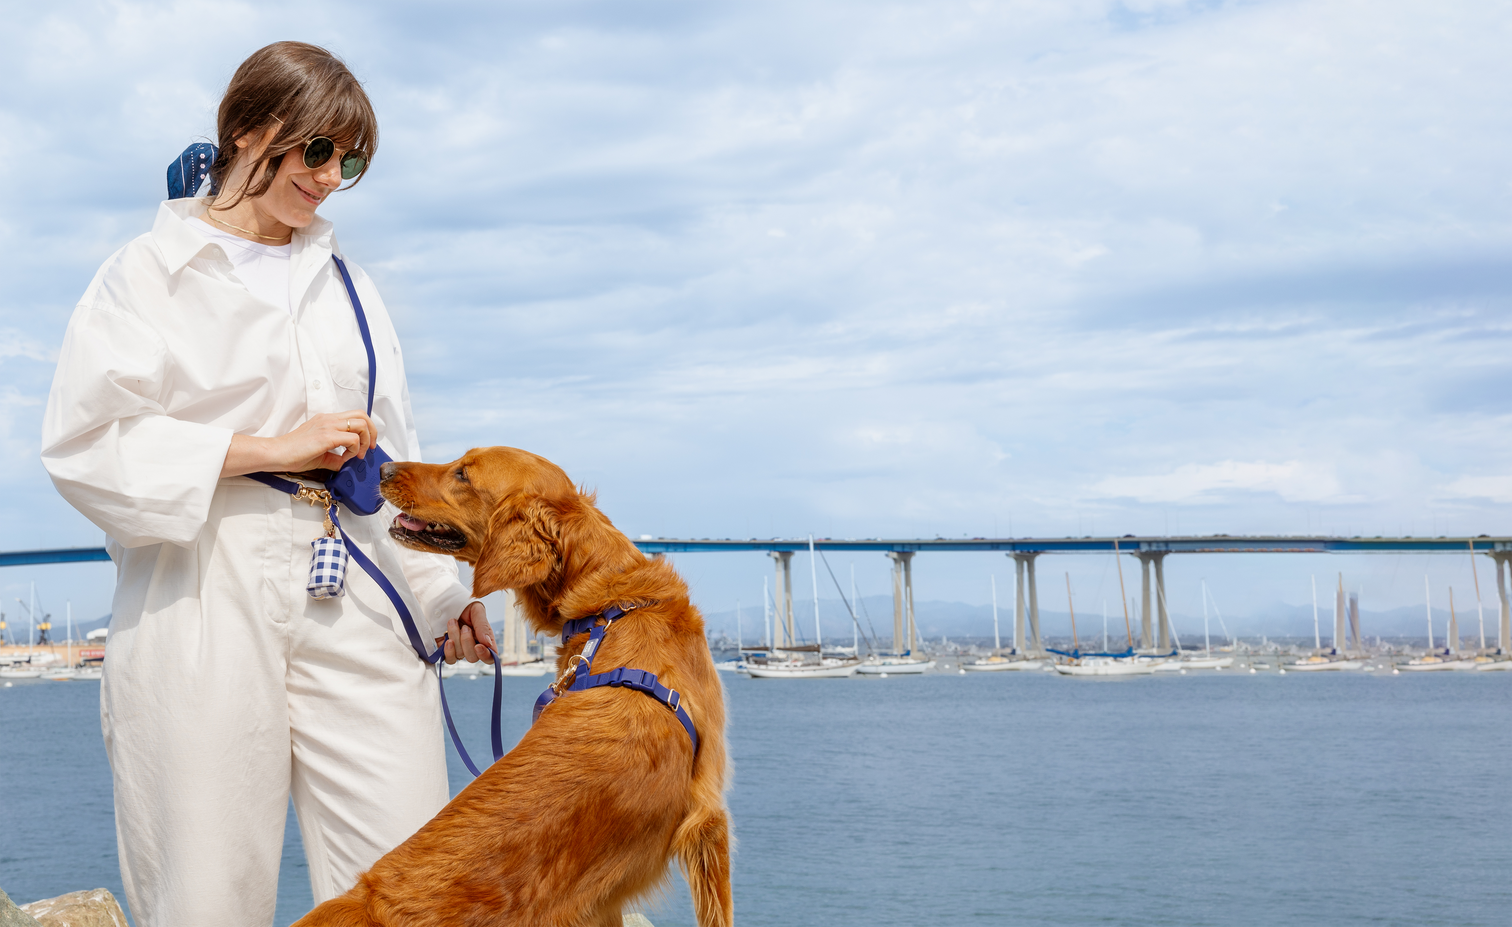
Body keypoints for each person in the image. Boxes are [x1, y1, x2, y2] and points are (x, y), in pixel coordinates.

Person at [40, 42, 496, 927]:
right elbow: (86, 445)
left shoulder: (350, 287)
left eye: (348, 162)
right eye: (318, 150)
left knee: (411, 880)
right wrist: (270, 446)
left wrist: (444, 593)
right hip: (202, 579)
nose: (329, 178)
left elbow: (396, 456)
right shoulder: (144, 274)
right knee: (205, 887)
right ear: (247, 130)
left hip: (357, 572)